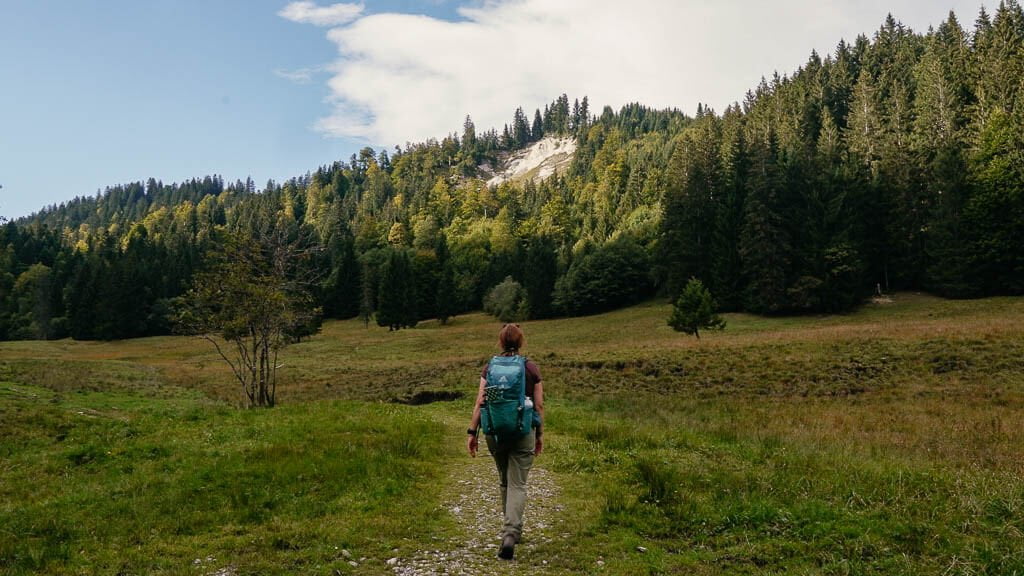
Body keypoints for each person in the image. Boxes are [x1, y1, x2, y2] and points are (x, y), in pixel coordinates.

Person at [466, 323, 544, 560]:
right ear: (521, 342)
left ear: (500, 342)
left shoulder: (490, 367)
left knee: (504, 480)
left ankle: (510, 529)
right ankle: (511, 532)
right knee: (518, 483)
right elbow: (539, 405)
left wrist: (472, 432)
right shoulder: (530, 367)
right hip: (523, 431)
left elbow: (481, 400)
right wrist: (539, 434)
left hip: (495, 432)